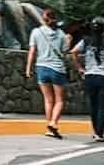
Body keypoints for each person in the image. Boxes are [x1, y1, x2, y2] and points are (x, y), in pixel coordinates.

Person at [71, 17, 104, 142]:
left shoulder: (86, 40)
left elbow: (73, 52)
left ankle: (95, 132)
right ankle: (100, 134)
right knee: (102, 106)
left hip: (90, 76)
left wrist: (80, 68)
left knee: (93, 105)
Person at [26, 8, 70, 139]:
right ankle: (53, 123)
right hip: (57, 69)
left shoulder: (36, 32)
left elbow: (32, 51)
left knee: (48, 100)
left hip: (41, 68)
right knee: (60, 101)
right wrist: (69, 41)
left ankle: (49, 128)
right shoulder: (61, 34)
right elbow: (64, 52)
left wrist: (28, 68)